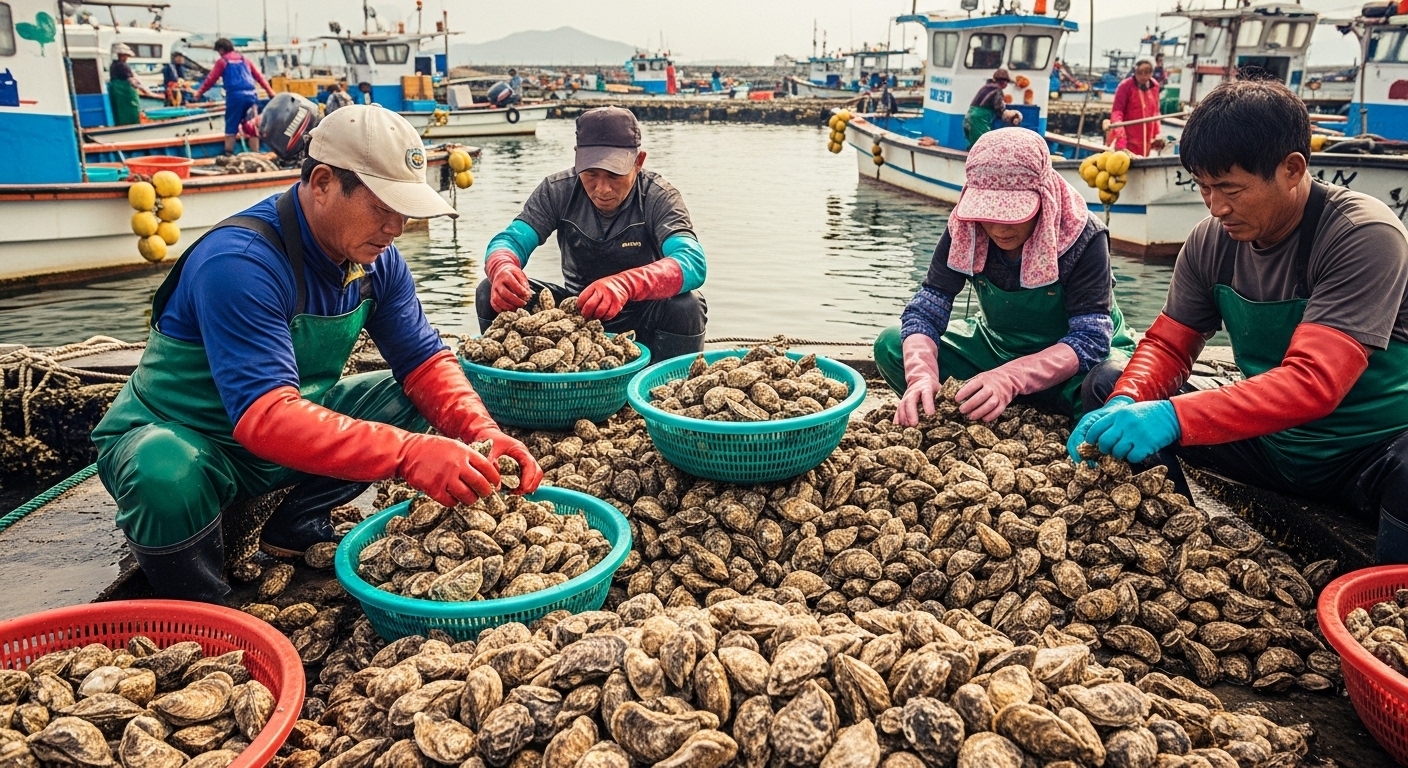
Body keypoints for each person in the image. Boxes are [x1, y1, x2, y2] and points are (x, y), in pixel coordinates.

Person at [91, 106, 542, 604]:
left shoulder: (377, 259)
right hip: (195, 439)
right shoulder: (241, 261)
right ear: (323, 182)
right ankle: (201, 602)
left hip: (281, 436)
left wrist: (483, 432)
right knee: (165, 470)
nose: (396, 226)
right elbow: (265, 418)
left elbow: (424, 361)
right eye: (382, 207)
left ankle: (292, 526)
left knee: (414, 396)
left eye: (405, 209)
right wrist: (410, 454)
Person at [1072, 79, 1408, 563]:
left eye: (1230, 189)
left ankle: (1386, 600)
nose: (1216, 206)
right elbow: (1168, 347)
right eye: (1204, 187)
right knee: (1106, 383)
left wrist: (1172, 417)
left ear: (1292, 169)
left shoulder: (1361, 234)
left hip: (1364, 455)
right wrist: (1127, 404)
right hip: (1268, 446)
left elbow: (1315, 383)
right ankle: (1176, 554)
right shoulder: (1211, 241)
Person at [875, 128, 1136, 426]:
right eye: (989, 213)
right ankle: (977, 407)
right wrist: (921, 375)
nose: (999, 228)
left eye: (1013, 214)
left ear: (1044, 196)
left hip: (1075, 368)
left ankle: (1053, 413)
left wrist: (1011, 378)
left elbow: (1090, 340)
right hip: (998, 348)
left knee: (1110, 384)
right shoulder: (965, 227)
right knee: (892, 344)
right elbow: (925, 311)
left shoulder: (1082, 235)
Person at [477, 106, 708, 360]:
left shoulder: (658, 197)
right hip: (575, 314)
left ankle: (663, 386)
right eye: (591, 174)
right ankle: (507, 381)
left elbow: (692, 262)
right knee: (490, 290)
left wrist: (625, 284)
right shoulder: (557, 190)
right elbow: (510, 240)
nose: (602, 189)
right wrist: (502, 268)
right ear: (577, 158)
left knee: (688, 305)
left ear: (638, 162)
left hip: (643, 318)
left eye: (614, 175)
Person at [195, 38, 274, 155]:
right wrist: (270, 92)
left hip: (235, 97)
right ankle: (256, 154)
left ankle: (229, 154)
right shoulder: (245, 60)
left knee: (231, 125)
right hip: (251, 96)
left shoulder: (222, 62)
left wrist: (199, 92)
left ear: (221, 50)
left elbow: (211, 79)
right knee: (252, 127)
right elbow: (259, 77)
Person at [1108, 59, 1164, 157]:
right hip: (1128, 139)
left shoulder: (1154, 86)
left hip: (1146, 139)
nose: (1143, 76)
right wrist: (1120, 136)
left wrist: (1157, 134)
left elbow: (1155, 112)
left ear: (1151, 72)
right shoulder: (1125, 86)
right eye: (1139, 72)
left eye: (1146, 72)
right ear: (1135, 72)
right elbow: (1117, 112)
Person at [964, 68, 1022, 148]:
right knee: (983, 142)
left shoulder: (986, 86)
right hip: (980, 117)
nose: (1006, 84)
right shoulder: (998, 90)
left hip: (970, 114)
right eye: (1006, 82)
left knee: (971, 140)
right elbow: (998, 107)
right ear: (1003, 82)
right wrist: (1006, 116)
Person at [109, 44, 159, 126]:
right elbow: (132, 80)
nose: (127, 58)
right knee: (132, 109)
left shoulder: (114, 65)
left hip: (117, 93)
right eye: (126, 56)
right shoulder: (122, 65)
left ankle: (122, 125)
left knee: (121, 111)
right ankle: (132, 125)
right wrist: (146, 92)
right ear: (121, 55)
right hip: (125, 93)